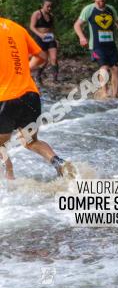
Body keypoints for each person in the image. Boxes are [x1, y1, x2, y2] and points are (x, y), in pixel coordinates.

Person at [0, 16, 73, 180]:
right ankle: (58, 162)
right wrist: (22, 71)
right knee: (30, 141)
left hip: (5, 97)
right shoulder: (17, 28)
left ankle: (9, 179)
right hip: (30, 95)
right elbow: (42, 56)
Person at [73, 0, 118, 99]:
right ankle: (104, 93)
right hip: (96, 45)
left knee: (116, 69)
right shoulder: (88, 9)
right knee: (104, 67)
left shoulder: (110, 9)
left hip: (110, 44)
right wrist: (81, 37)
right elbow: (77, 25)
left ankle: (115, 95)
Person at [29, 0, 60, 84]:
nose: (49, 8)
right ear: (42, 5)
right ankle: (38, 76)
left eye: (51, 6)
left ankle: (55, 79)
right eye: (48, 6)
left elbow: (52, 28)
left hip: (50, 38)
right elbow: (32, 26)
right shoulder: (37, 14)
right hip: (40, 38)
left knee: (54, 58)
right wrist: (40, 35)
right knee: (44, 59)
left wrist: (56, 39)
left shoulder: (51, 15)